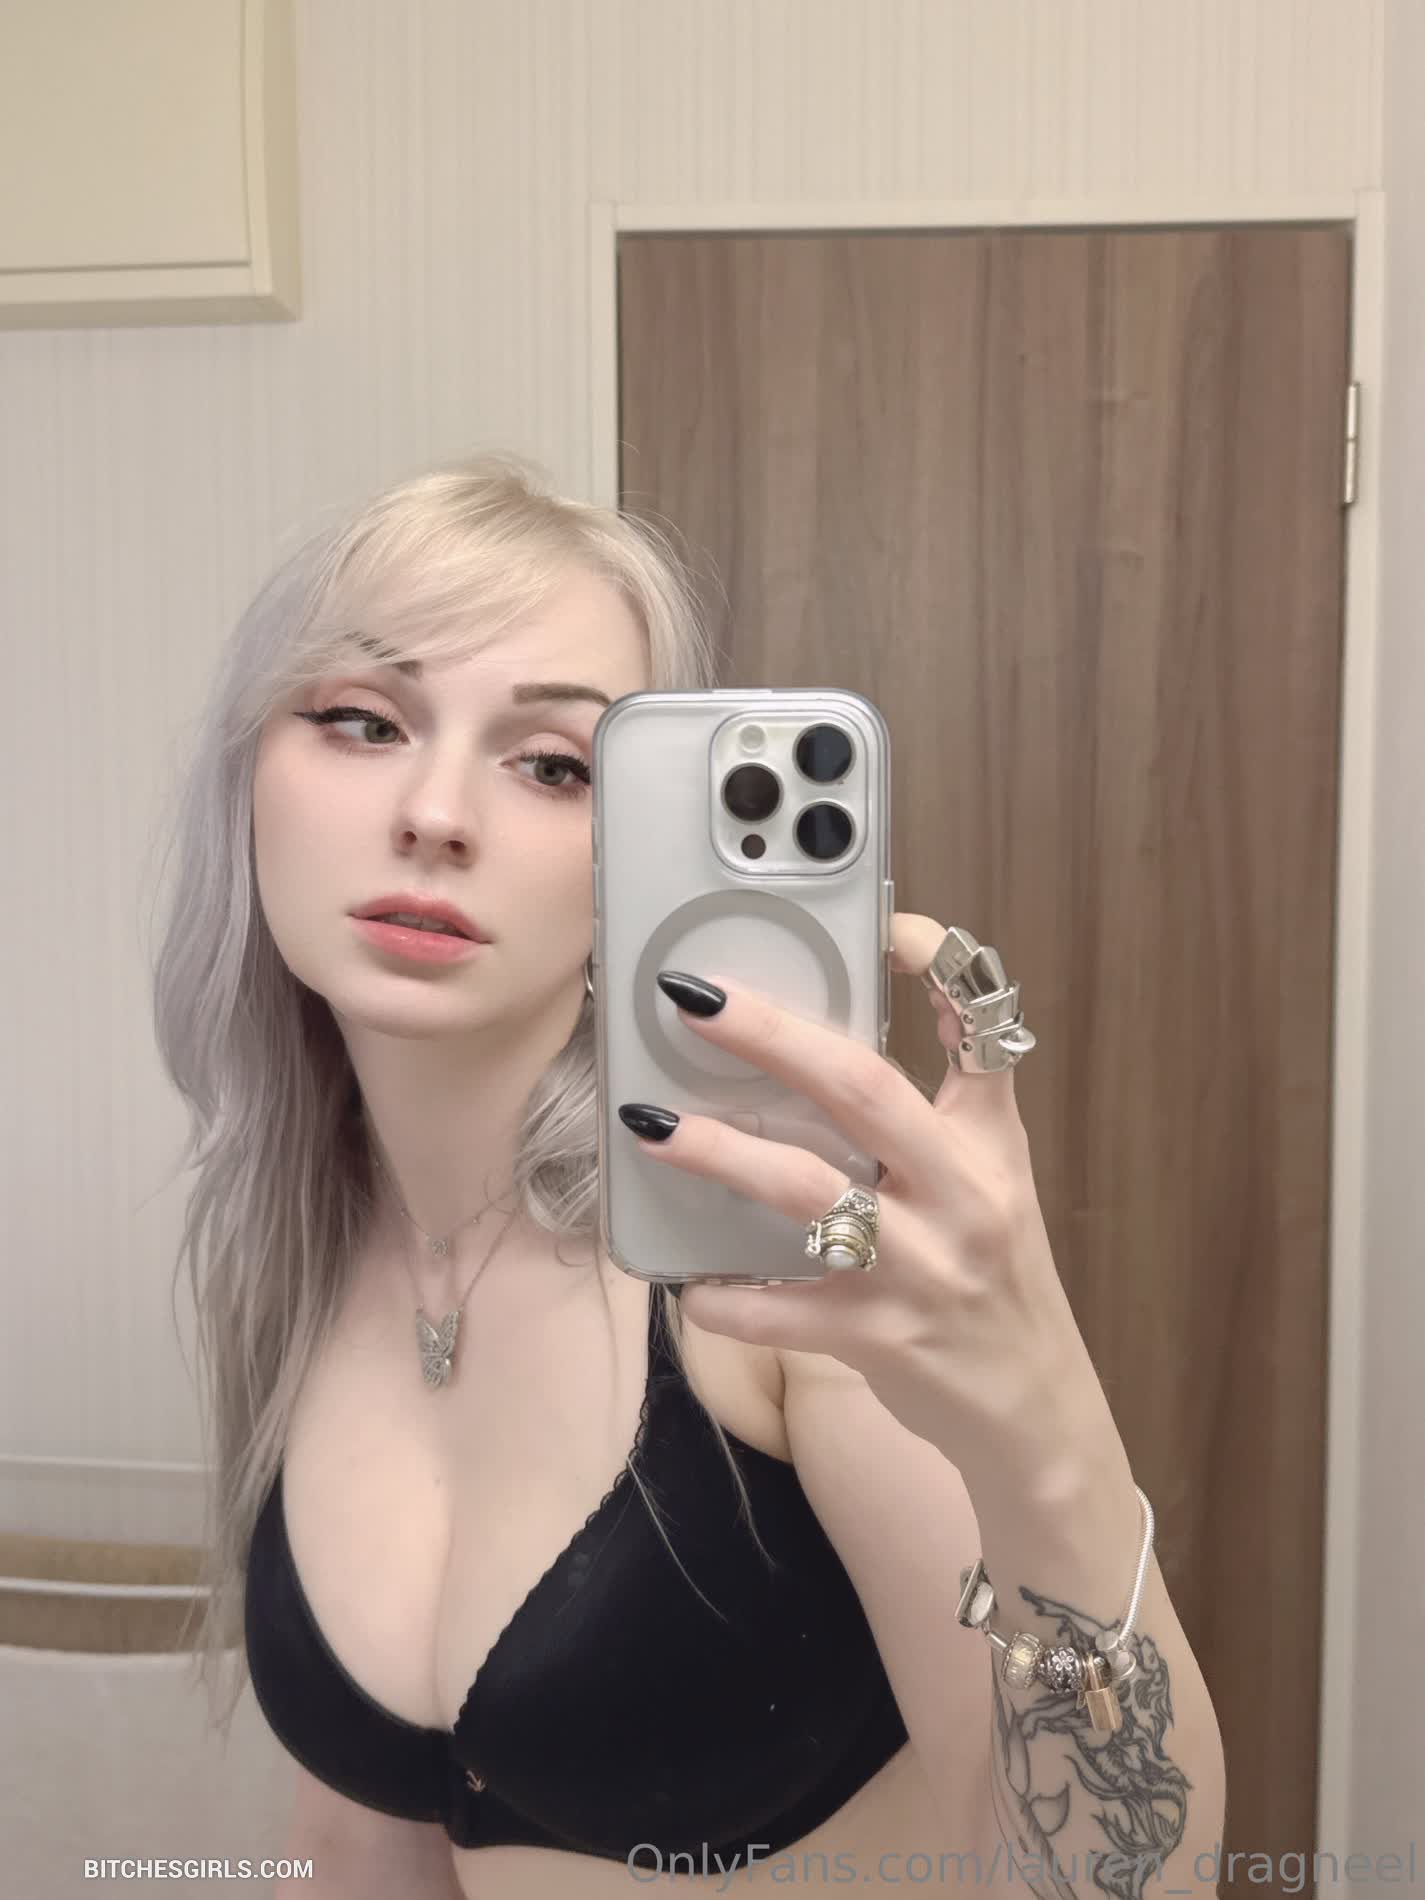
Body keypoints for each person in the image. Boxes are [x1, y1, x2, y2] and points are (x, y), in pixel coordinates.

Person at [150, 454, 1224, 1896]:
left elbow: (1121, 1878)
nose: (436, 811)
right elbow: (360, 1841)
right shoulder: (295, 1246)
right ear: (248, 779)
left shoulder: (772, 1262)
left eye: (553, 764)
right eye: (364, 719)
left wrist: (1043, 1422)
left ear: (637, 859)